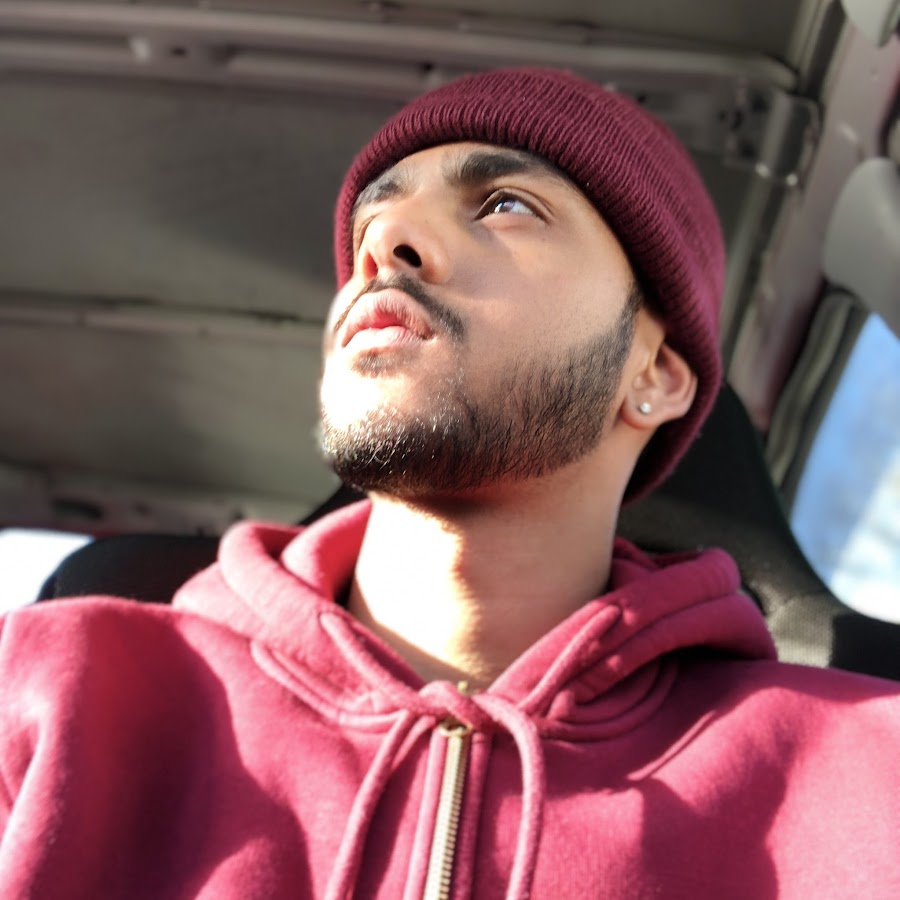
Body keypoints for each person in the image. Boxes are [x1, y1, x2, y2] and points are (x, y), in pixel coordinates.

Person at [0, 68, 898, 900]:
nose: (383, 247)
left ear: (655, 374)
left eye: (506, 205)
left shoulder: (868, 777)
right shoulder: (50, 692)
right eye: (370, 226)